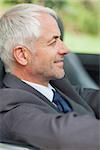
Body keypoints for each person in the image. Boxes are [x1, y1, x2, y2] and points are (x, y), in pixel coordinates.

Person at [0, 3, 99, 150]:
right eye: (53, 42)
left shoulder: (56, 85)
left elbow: (90, 97)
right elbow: (66, 135)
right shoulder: (12, 108)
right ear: (22, 55)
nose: (66, 49)